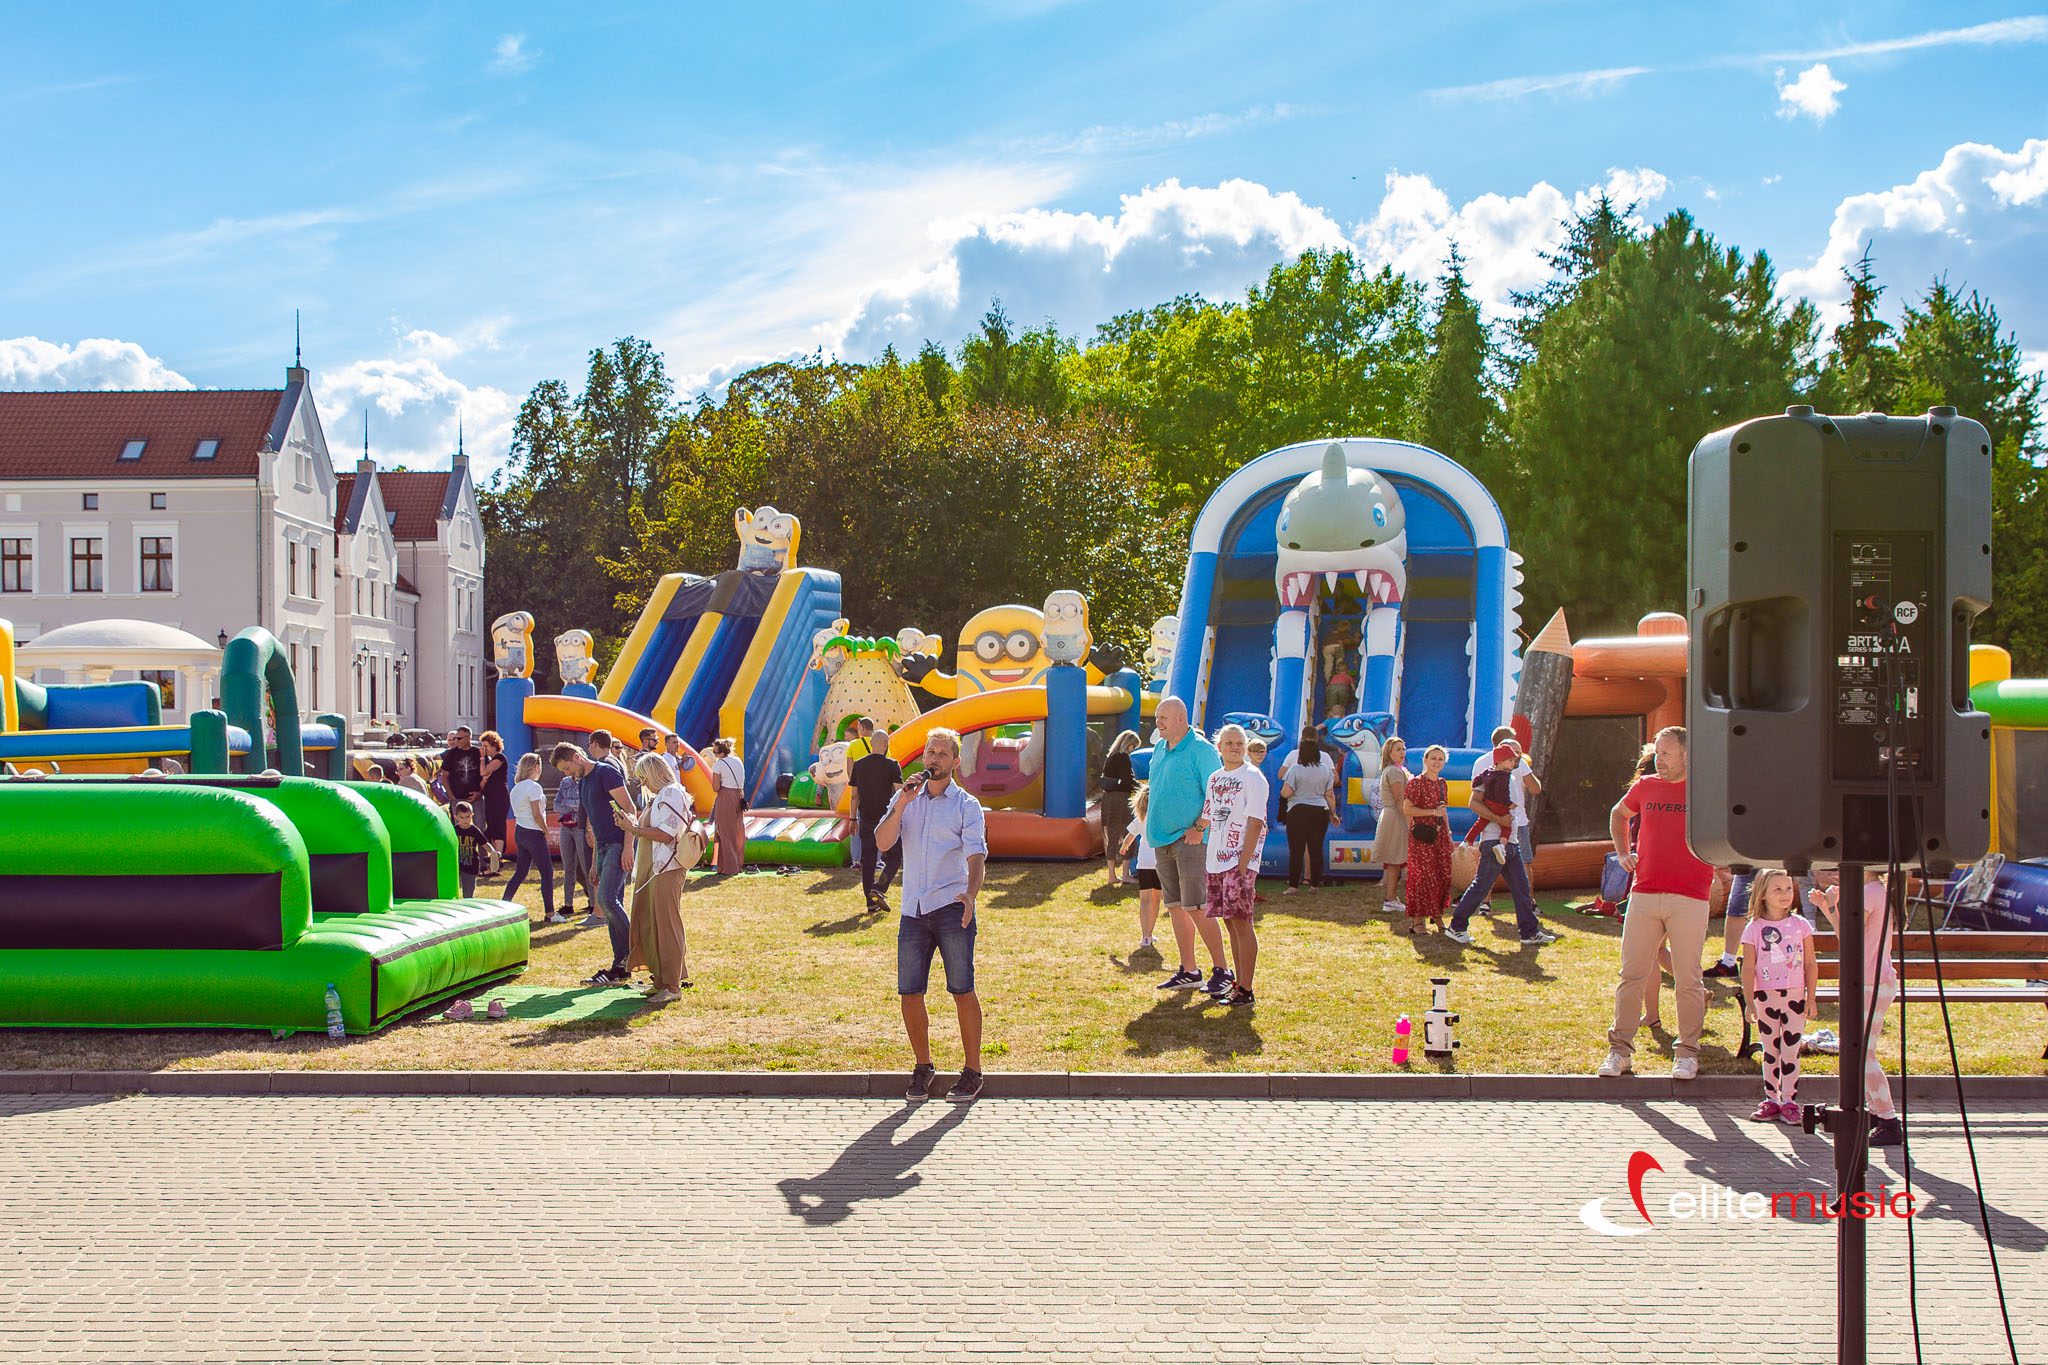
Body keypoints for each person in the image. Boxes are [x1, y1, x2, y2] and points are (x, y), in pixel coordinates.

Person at [875, 727, 988, 1103]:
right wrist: (901, 804)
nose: (933, 758)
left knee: (962, 989)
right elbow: (883, 841)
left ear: (955, 762)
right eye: (929, 752)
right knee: (910, 992)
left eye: (941, 753)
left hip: (952, 906)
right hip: (913, 910)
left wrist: (971, 894)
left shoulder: (966, 805)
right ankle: (923, 1067)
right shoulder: (907, 798)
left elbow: (976, 854)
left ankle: (972, 1071)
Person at [1598, 726, 1715, 1080]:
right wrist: (1623, 853)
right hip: (1645, 893)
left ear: (1686, 754)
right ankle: (1620, 1051)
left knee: (1688, 979)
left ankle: (1688, 1053)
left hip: (1691, 896)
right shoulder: (1646, 786)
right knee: (1631, 974)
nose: (1658, 760)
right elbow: (1618, 814)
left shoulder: (1705, 789)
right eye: (1657, 752)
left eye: (1666, 753)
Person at [1810, 871, 1905, 1146]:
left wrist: (1831, 907)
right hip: (1873, 980)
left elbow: (1850, 938)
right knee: (1860, 1052)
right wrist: (1828, 907)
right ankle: (1876, 1114)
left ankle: (1888, 1119)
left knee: (1863, 1054)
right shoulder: (1875, 891)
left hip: (1870, 982)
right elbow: (1849, 936)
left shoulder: (1870, 893)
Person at [1145, 697, 1231, 997]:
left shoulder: (1201, 750)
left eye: (1163, 717)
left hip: (1191, 840)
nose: (1158, 722)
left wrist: (1199, 827)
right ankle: (1189, 970)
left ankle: (1222, 970)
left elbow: (1217, 792)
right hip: (1162, 839)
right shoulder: (1160, 748)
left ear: (1181, 719)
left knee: (1197, 907)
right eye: (1157, 716)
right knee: (1176, 906)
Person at [1444, 731, 1555, 949]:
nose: (1517, 759)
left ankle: (1529, 932)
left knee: (1521, 888)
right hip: (1494, 840)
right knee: (1481, 885)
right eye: (1513, 757)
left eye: (1517, 756)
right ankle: (1457, 926)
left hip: (1510, 841)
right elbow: (1474, 803)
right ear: (1501, 758)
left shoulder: (1512, 777)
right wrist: (1499, 819)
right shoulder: (1487, 776)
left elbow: (1530, 792)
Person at [550, 740, 637, 986]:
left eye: (567, 768)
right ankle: (620, 964)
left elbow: (630, 809)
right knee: (611, 904)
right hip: (603, 846)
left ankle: (636, 952)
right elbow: (597, 821)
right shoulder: (583, 781)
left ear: (577, 757)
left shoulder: (605, 772)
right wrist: (594, 861)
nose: (567, 774)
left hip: (619, 843)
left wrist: (628, 846)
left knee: (606, 900)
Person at [622, 751, 700, 1004]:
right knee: (652, 923)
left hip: (667, 868)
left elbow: (667, 834)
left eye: (644, 777)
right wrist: (633, 825)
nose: (642, 783)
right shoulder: (661, 795)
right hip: (656, 868)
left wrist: (634, 829)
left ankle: (672, 985)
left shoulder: (671, 793)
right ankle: (661, 980)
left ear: (655, 773)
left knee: (666, 925)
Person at [1740, 870, 1817, 1124]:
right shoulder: (1753, 929)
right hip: (1765, 997)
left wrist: (1811, 997)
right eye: (1778, 889)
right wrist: (1749, 1001)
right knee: (1771, 1050)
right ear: (1763, 894)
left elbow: (1810, 964)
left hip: (1795, 996)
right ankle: (1771, 1099)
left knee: (1791, 1050)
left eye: (1788, 889)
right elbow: (1748, 967)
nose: (1785, 894)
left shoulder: (1801, 925)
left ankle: (1790, 1100)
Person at [1202, 723, 1267, 1007]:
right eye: (1229, 743)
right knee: (1229, 922)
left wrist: (1243, 865)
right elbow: (1208, 816)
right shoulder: (1215, 778)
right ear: (1219, 747)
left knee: (1242, 922)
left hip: (1239, 861)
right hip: (1216, 861)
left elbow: (1256, 822)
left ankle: (1246, 989)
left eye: (1239, 743)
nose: (1235, 747)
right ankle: (1238, 984)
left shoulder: (1252, 777)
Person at [1400, 745, 1454, 933]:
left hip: (1440, 835)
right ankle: (1417, 921)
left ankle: (1437, 915)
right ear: (1425, 760)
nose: (1436, 762)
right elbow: (1407, 809)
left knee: (1441, 875)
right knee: (1422, 877)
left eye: (1440, 759)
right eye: (1433, 758)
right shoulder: (1416, 783)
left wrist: (1448, 833)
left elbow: (1443, 811)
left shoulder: (1442, 784)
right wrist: (1431, 812)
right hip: (1422, 836)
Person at [850, 729, 904, 911]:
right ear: (886, 744)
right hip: (887, 820)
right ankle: (879, 888)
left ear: (871, 743)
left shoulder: (859, 765)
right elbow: (900, 792)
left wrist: (852, 818)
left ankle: (870, 903)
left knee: (868, 861)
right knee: (895, 857)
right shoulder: (892, 765)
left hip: (866, 819)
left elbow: (854, 796)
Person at [503, 753, 560, 924]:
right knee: (547, 872)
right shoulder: (534, 787)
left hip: (520, 831)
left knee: (521, 872)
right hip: (533, 833)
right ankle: (550, 913)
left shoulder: (516, 788)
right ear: (535, 767)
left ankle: (503, 904)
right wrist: (545, 830)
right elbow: (536, 813)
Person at [1279, 728, 1335, 892]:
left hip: (1297, 810)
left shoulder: (1295, 769)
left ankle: (1293, 885)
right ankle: (1314, 884)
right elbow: (1330, 794)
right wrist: (1333, 813)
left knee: (1296, 850)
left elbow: (1286, 792)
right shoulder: (1325, 769)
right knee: (1316, 849)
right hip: (1320, 810)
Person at [1118, 783, 1162, 951]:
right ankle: (1150, 933)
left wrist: (1124, 848)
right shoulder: (1160, 818)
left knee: (1144, 900)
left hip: (1144, 863)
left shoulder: (1141, 819)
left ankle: (1145, 935)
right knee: (1156, 899)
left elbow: (1129, 838)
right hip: (1159, 862)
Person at [1460, 742, 1520, 864]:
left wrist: (1475, 784)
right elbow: (1502, 793)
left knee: (1479, 824)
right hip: (1500, 809)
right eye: (1510, 760)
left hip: (1489, 804)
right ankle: (1501, 846)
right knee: (1506, 827)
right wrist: (1510, 805)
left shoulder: (1487, 773)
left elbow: (1478, 780)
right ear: (1501, 761)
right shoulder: (1505, 776)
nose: (1513, 763)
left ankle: (1466, 842)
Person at [1373, 737, 1410, 914]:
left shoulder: (1393, 770)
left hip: (1392, 815)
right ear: (1389, 753)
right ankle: (1391, 898)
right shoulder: (1394, 772)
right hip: (1395, 817)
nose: (1402, 752)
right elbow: (1399, 799)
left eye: (1403, 749)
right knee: (1395, 859)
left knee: (1394, 859)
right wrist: (1409, 820)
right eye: (1398, 749)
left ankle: (1391, 898)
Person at [1099, 730, 1141, 888]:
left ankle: (1111, 875)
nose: (1133, 750)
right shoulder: (1123, 757)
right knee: (1128, 833)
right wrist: (1143, 788)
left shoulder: (1111, 756)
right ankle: (1125, 874)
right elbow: (1127, 780)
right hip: (1121, 800)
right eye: (1133, 746)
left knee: (1112, 835)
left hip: (1108, 799)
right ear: (1129, 744)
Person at [553, 761, 593, 919]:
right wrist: (573, 806)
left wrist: (568, 805)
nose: (566, 772)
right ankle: (568, 904)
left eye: (566, 768)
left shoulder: (585, 780)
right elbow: (556, 805)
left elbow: (584, 804)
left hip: (580, 827)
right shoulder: (565, 782)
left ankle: (593, 903)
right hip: (565, 827)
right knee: (568, 867)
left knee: (586, 865)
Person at [708, 737, 746, 876]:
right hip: (739, 796)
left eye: (715, 752)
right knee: (736, 831)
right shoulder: (737, 760)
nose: (714, 754)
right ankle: (736, 864)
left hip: (726, 797)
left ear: (721, 752)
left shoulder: (719, 765)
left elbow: (716, 787)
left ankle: (729, 867)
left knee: (724, 832)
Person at [477, 731, 511, 861]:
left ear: (494, 745)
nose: (484, 749)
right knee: (490, 826)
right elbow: (483, 781)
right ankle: (492, 856)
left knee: (498, 825)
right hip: (490, 798)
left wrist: (482, 758)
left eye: (486, 746)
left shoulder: (499, 758)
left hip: (499, 797)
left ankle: (498, 855)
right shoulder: (490, 760)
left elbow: (483, 772)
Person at [451, 801, 491, 899]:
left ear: (472, 815)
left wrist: (493, 852)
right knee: (452, 893)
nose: (465, 820)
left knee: (468, 894)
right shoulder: (454, 830)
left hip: (471, 866)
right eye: (462, 817)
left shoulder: (474, 830)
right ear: (456, 817)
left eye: (468, 817)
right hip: (456, 866)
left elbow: (485, 844)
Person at [439, 726, 481, 810]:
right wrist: (451, 796)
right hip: (457, 798)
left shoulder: (478, 753)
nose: (456, 741)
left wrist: (479, 793)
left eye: (459, 738)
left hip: (476, 799)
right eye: (455, 738)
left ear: (469, 738)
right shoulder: (451, 753)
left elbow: (486, 775)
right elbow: (444, 777)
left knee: (478, 818)